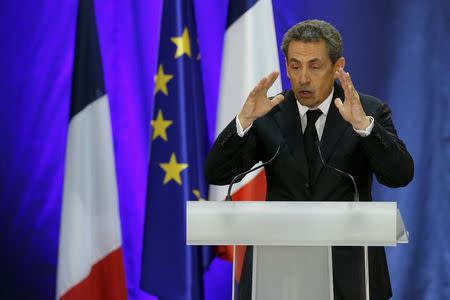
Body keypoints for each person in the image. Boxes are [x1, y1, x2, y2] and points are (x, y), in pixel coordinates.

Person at [205, 19, 414, 299]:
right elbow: (217, 173)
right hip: (277, 274)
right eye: (294, 66)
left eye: (314, 66)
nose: (303, 78)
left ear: (338, 67)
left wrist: (365, 127)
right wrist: (243, 121)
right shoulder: (269, 113)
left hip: (351, 275)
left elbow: (400, 175)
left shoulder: (367, 111)